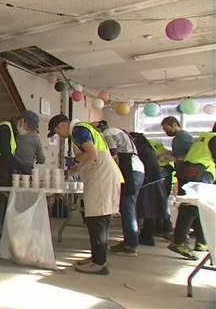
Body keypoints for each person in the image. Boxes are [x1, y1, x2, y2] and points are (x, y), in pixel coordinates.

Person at [48, 115, 121, 275]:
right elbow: (90, 156)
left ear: (63, 125)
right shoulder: (82, 129)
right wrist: (73, 169)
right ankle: (96, 257)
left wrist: (74, 160)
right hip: (101, 174)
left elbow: (92, 153)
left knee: (98, 219)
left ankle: (99, 263)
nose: (58, 135)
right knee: (94, 218)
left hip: (101, 176)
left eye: (57, 131)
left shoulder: (79, 130)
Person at [0, 110, 38, 258]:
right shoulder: (4, 128)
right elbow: (6, 154)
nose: (28, 131)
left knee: (0, 208)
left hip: (3, 172)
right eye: (29, 127)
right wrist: (23, 167)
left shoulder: (14, 132)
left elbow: (9, 158)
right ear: (22, 121)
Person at [92, 121, 145, 256]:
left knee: (127, 208)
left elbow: (113, 155)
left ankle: (131, 245)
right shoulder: (119, 131)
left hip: (130, 170)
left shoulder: (108, 133)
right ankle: (130, 241)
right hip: (137, 169)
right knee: (128, 207)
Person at [168, 127, 216, 260]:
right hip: (200, 173)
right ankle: (179, 242)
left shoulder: (205, 136)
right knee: (191, 208)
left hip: (190, 172)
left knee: (199, 207)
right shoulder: (214, 139)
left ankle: (201, 241)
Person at [130, 132, 167, 246]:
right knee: (151, 211)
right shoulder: (147, 147)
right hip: (155, 180)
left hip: (150, 182)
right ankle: (147, 235)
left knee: (148, 211)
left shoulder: (141, 149)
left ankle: (147, 236)